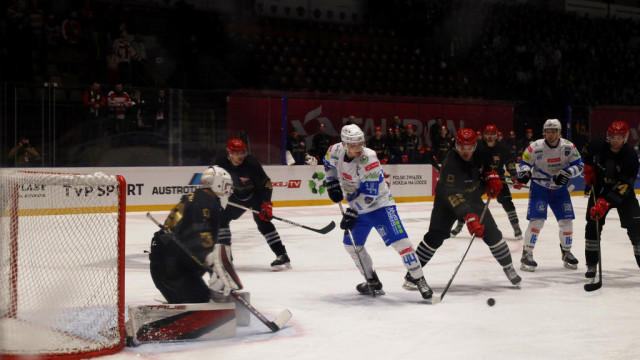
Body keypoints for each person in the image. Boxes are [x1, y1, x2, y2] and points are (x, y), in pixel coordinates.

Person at [323, 124, 432, 300]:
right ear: (343, 144)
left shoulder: (370, 158)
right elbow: (328, 164)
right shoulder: (334, 150)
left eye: (360, 144)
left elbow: (370, 194)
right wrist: (331, 182)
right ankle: (371, 280)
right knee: (351, 246)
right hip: (357, 208)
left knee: (401, 242)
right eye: (353, 145)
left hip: (381, 205)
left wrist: (352, 212)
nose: (358, 148)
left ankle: (419, 279)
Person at [412, 128, 522, 288]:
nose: (466, 151)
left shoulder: (482, 152)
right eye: (462, 148)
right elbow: (453, 194)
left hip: (472, 197)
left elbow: (487, 168)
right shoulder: (451, 162)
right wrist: (469, 217)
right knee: (435, 237)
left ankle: (508, 267)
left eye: (469, 148)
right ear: (456, 145)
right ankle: (412, 274)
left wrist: (491, 177)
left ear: (475, 146)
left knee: (492, 233)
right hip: (446, 202)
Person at [149, 166, 241, 303]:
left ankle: (177, 295)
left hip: (175, 261)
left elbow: (192, 236)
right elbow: (198, 234)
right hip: (168, 265)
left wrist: (214, 265)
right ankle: (175, 297)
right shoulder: (204, 201)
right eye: (226, 186)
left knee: (202, 294)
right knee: (198, 299)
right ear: (216, 183)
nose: (228, 191)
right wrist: (210, 258)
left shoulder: (202, 197)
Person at [516, 119, 583, 272]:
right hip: (540, 189)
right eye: (548, 131)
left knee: (567, 222)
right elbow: (524, 163)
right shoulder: (535, 147)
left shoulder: (568, 147)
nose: (551, 134)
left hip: (560, 190)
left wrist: (567, 173)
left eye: (554, 131)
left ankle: (566, 252)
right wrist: (525, 172)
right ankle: (527, 253)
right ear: (544, 132)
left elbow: (579, 165)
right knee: (537, 222)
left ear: (559, 132)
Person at [215, 139, 292, 270]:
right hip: (236, 197)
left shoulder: (251, 163)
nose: (241, 156)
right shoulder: (221, 163)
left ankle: (282, 255)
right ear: (229, 153)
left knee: (263, 222)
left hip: (255, 195)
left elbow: (266, 184)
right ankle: (226, 256)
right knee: (221, 221)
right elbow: (216, 181)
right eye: (237, 153)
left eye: (242, 152)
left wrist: (266, 204)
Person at [582, 121, 640, 279]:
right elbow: (586, 155)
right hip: (599, 190)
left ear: (625, 137)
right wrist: (588, 170)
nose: (615, 140)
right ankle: (592, 265)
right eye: (612, 136)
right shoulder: (598, 145)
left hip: (624, 194)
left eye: (619, 137)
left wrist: (605, 202)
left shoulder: (631, 156)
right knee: (592, 226)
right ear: (608, 136)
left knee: (636, 229)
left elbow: (625, 184)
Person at [452, 125, 522, 239]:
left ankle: (516, 227)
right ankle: (459, 226)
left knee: (507, 202)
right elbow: (472, 162)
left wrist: (514, 175)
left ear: (496, 135)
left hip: (498, 179)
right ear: (484, 135)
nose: (490, 136)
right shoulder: (478, 147)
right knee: (469, 199)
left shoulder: (503, 147)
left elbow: (509, 162)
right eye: (488, 134)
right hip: (482, 179)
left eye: (492, 134)